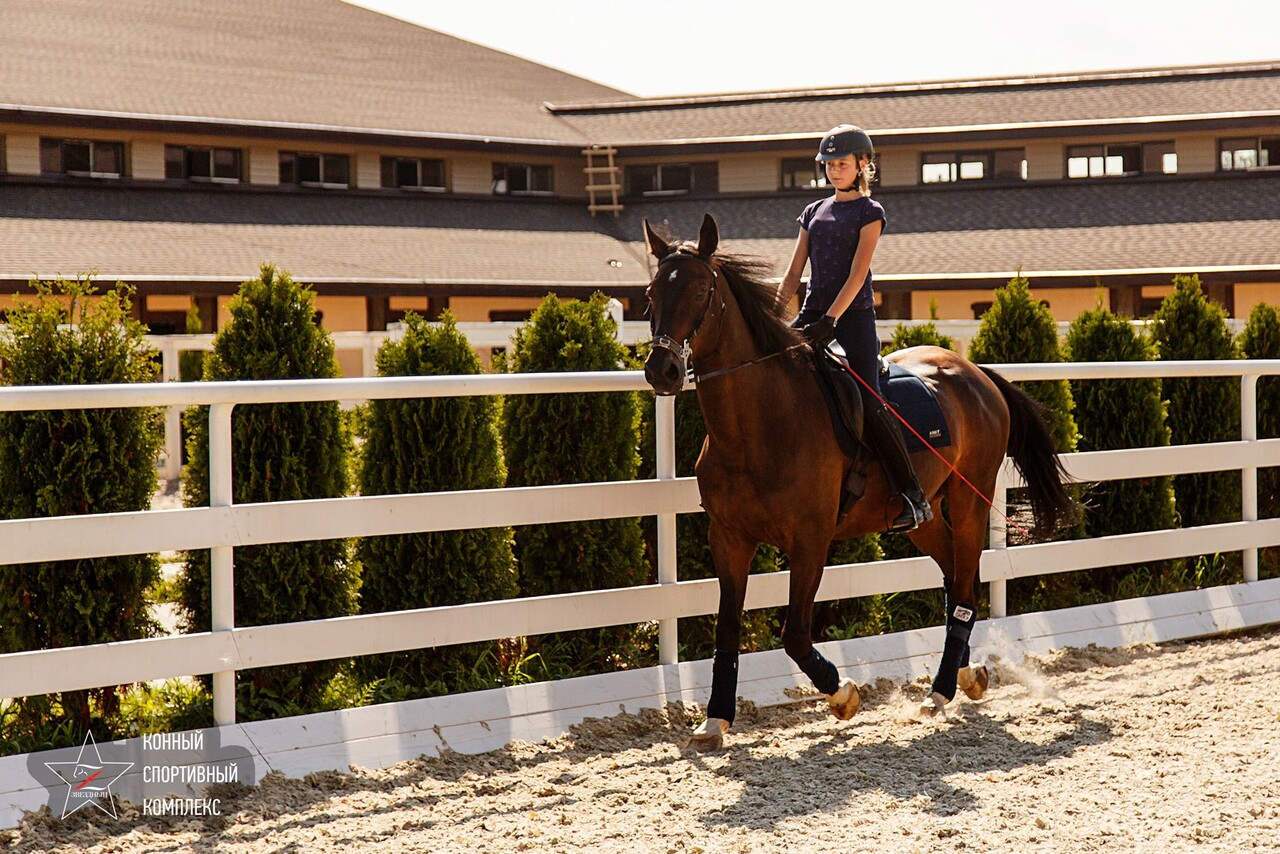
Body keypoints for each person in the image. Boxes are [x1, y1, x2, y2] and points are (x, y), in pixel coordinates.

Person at [778, 124, 933, 532]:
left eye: (842, 164)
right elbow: (794, 273)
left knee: (869, 399)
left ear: (863, 164)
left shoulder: (870, 213)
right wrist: (774, 316)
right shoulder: (813, 212)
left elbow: (856, 273)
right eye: (829, 165)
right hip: (813, 315)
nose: (834, 171)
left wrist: (832, 320)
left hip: (853, 320)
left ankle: (913, 496)